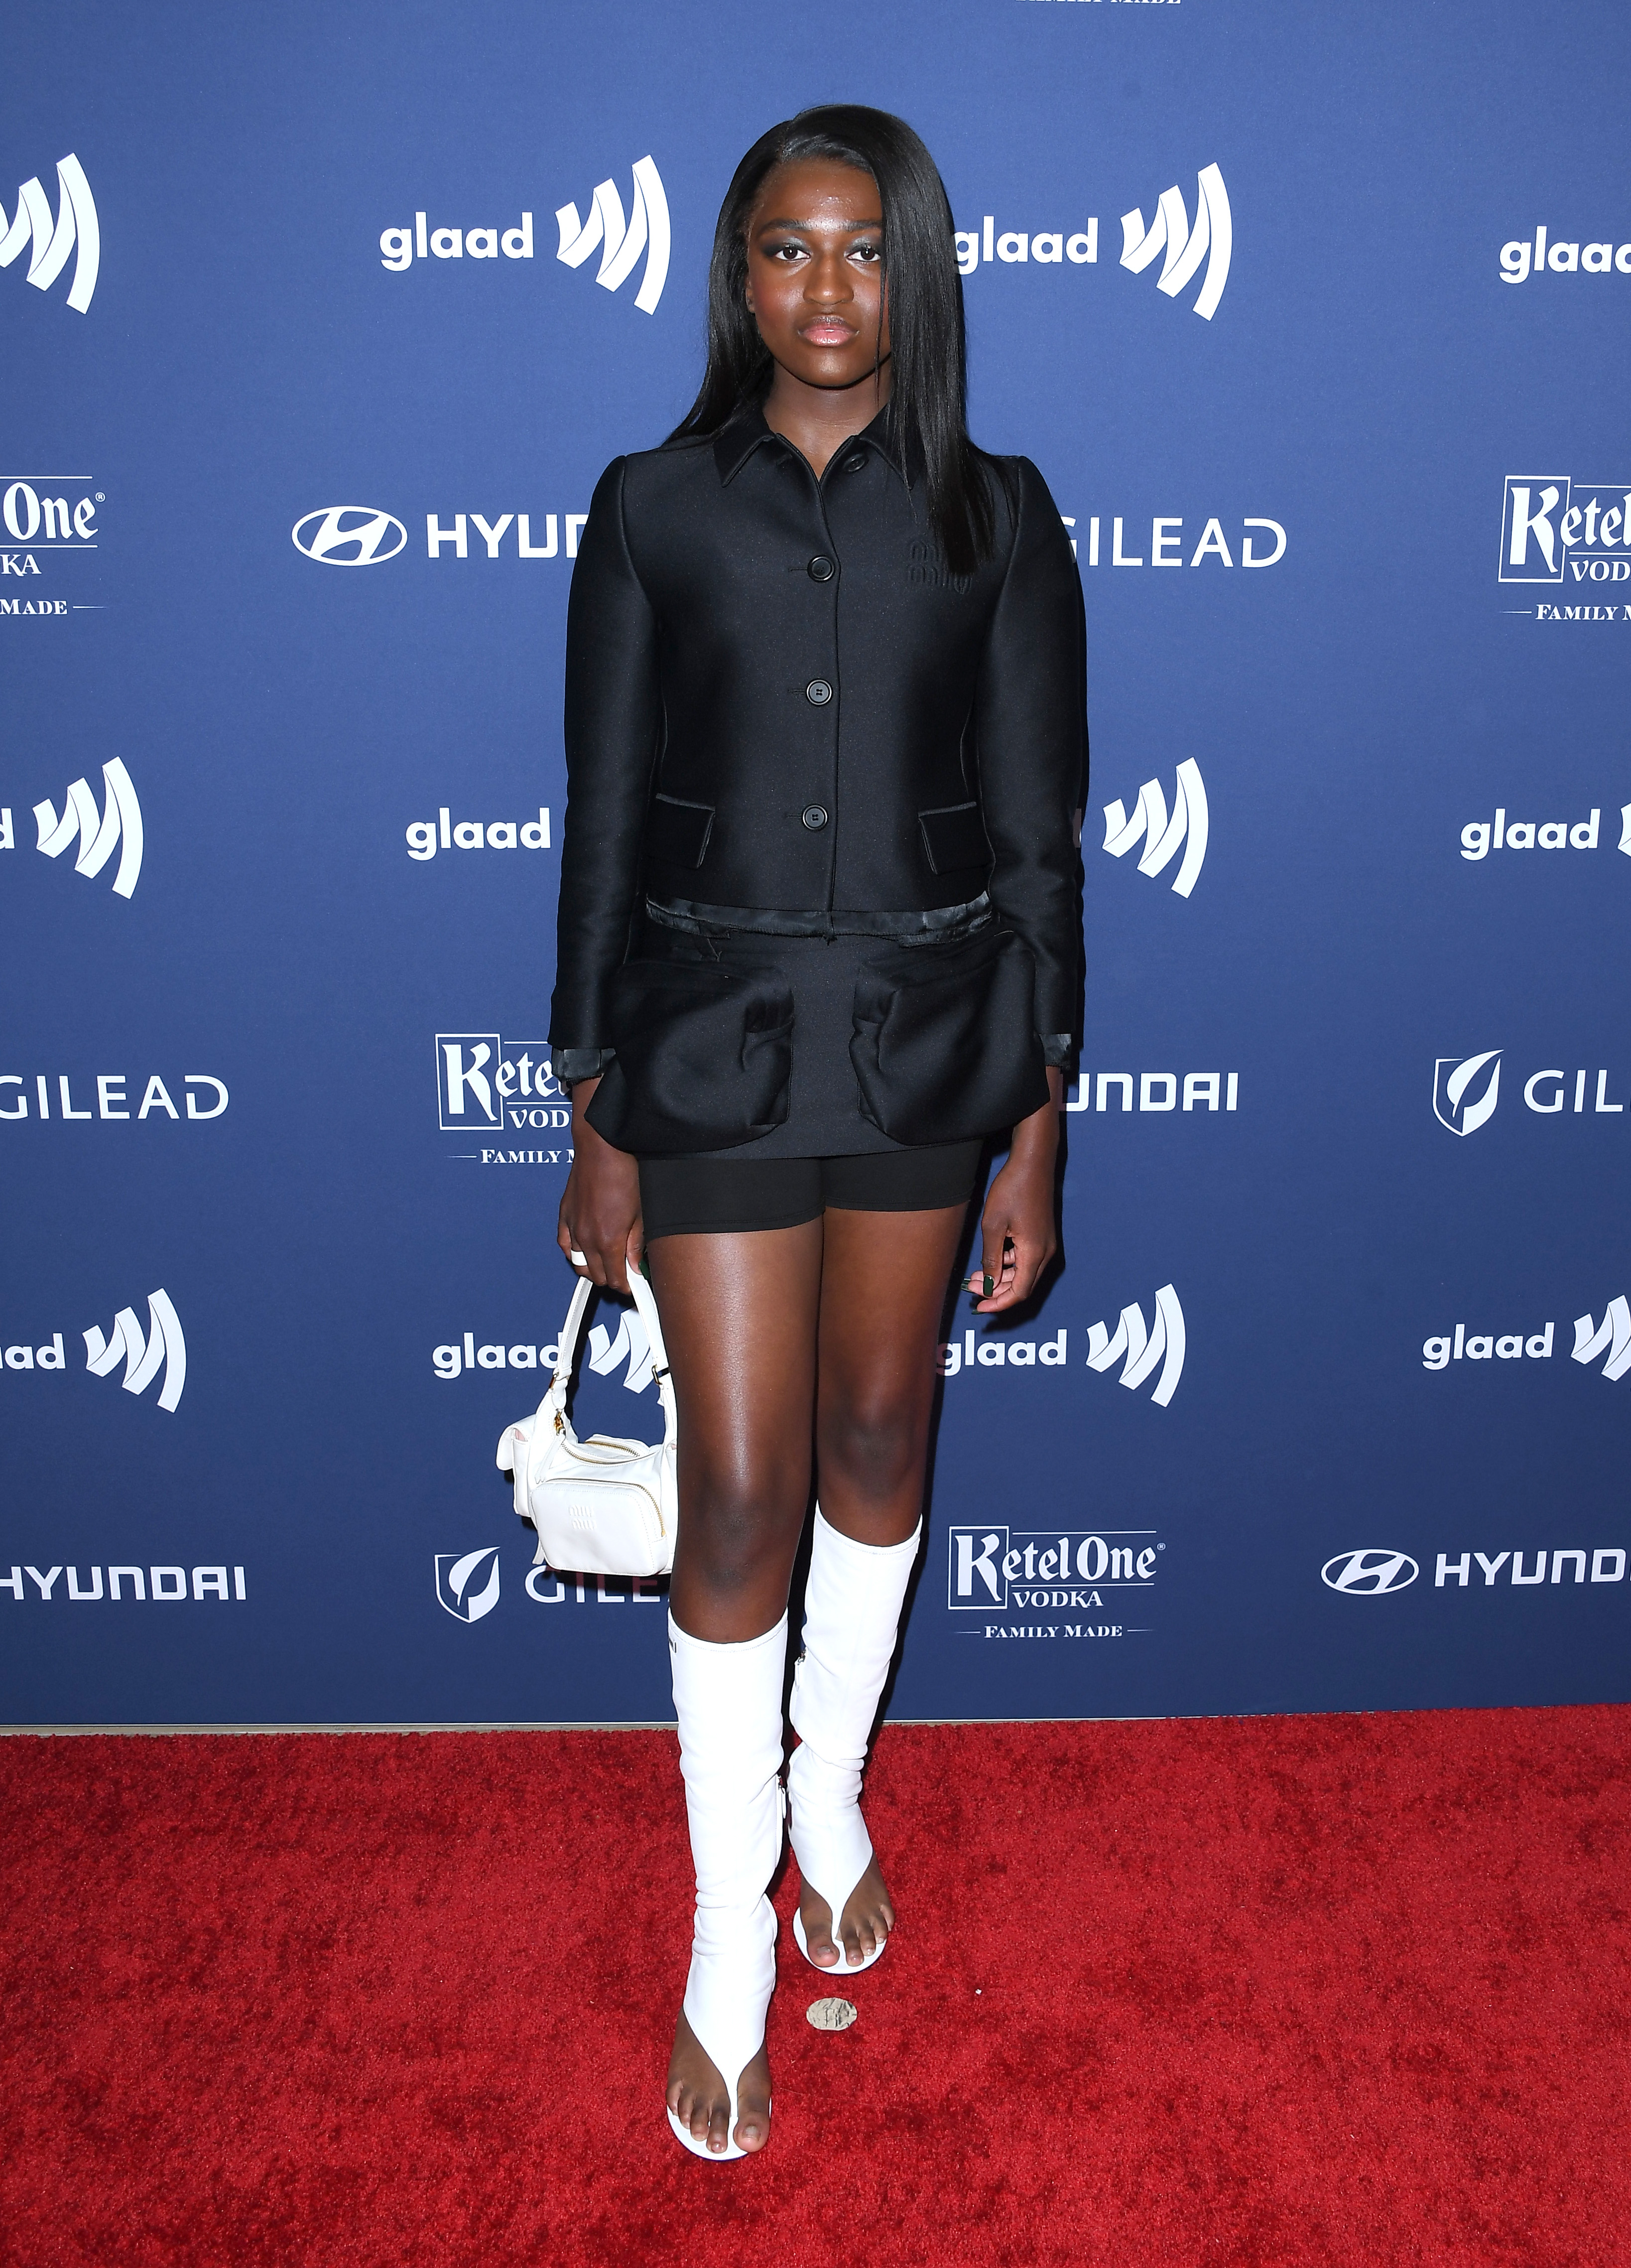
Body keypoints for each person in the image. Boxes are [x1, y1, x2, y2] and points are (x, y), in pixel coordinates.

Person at [549, 103, 1086, 2160]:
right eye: (788, 249)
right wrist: (593, 1102)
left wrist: (1039, 1117)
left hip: (938, 1041)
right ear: (738, 272)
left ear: (919, 272)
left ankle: (835, 1788)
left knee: (879, 1442)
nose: (827, 289)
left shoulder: (1003, 515)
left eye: (865, 250)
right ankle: (723, 1942)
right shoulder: (652, 506)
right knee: (745, 1485)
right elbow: (600, 815)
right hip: (705, 1039)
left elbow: (1044, 839)